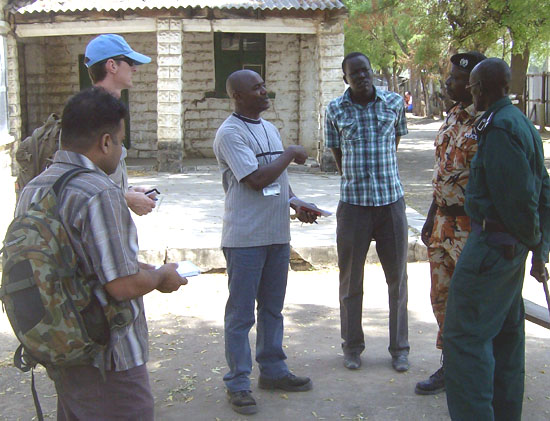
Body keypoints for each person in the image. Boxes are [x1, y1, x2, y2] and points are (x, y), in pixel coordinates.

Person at [15, 88, 187, 419]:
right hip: (109, 356)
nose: (121, 151)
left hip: (59, 344)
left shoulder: (35, 188)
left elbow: (74, 261)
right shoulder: (100, 192)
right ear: (105, 142)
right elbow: (121, 285)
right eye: (121, 143)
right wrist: (160, 276)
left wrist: (141, 267)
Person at [444, 58, 550, 420]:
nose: (470, 93)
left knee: (465, 338)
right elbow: (544, 189)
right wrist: (537, 248)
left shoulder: (501, 128)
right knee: (506, 337)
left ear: (482, 89)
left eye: (472, 87)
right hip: (509, 248)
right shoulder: (520, 122)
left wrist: (534, 242)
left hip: (492, 248)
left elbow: (521, 201)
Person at [213, 69, 317, 415]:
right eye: (256, 88)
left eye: (263, 85)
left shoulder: (269, 128)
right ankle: (238, 382)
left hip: (276, 236)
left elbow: (277, 180)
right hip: (246, 239)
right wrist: (289, 154)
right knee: (241, 315)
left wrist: (295, 202)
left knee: (272, 309)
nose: (264, 91)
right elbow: (256, 179)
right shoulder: (229, 134)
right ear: (238, 96)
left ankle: (273, 371)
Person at [325, 52, 410, 372]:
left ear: (372, 72)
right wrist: (356, 177)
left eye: (366, 70)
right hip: (353, 206)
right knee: (350, 280)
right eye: (354, 73)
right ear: (345, 78)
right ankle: (352, 347)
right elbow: (336, 151)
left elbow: (396, 141)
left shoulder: (394, 103)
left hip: (391, 203)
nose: (362, 76)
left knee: (398, 280)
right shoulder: (335, 109)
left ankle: (400, 349)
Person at [415, 51, 486, 396]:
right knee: (441, 297)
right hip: (443, 222)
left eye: (456, 79)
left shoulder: (489, 123)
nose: (448, 83)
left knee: (471, 302)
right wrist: (431, 217)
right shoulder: (454, 117)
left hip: (471, 227)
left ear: (474, 84)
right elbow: (443, 172)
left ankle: (476, 372)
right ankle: (450, 366)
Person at [84, 33, 157, 216]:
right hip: (95, 224)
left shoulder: (107, 109)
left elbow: (103, 175)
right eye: (130, 62)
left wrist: (129, 190)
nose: (134, 69)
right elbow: (81, 180)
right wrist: (126, 198)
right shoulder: (90, 113)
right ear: (112, 65)